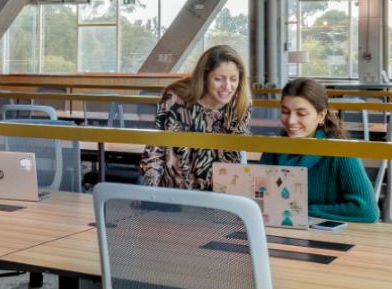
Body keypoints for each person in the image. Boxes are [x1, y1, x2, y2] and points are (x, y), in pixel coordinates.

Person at [260, 79, 379, 223]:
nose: (291, 120)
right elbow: (261, 201)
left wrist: (300, 210)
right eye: (285, 112)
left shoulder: (340, 152)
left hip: (329, 238)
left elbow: (366, 210)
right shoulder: (271, 150)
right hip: (279, 231)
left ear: (321, 116)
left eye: (301, 113)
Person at [139, 45, 251, 189]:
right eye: (219, 79)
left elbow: (236, 157)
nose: (228, 87)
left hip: (219, 195)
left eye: (233, 79)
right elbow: (155, 149)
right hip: (175, 193)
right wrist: (149, 192)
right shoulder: (175, 97)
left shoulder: (239, 103)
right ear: (204, 76)